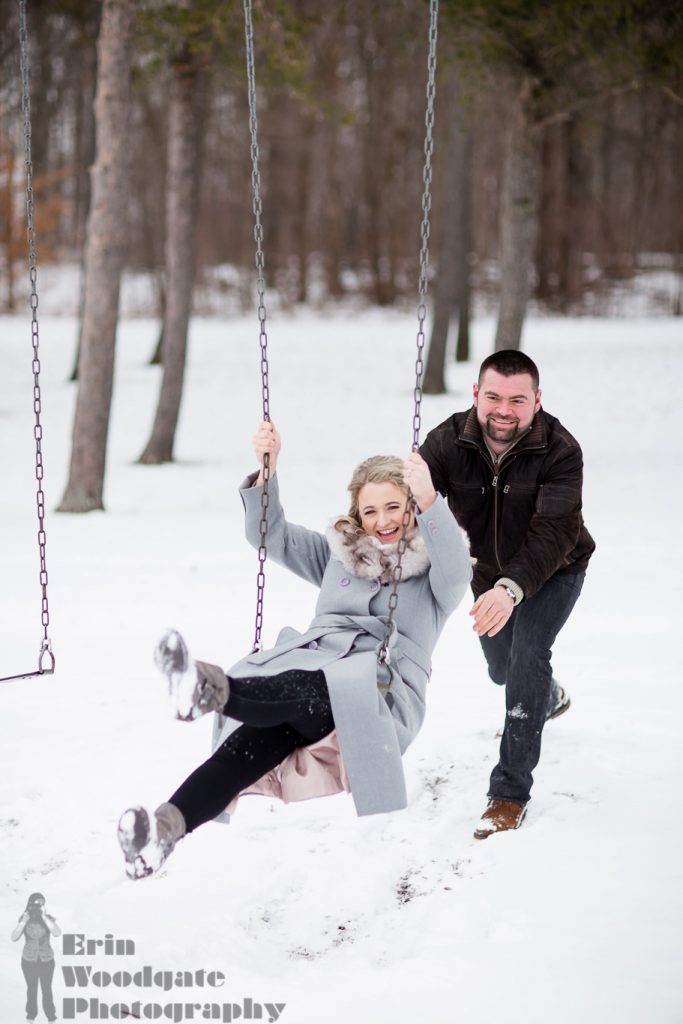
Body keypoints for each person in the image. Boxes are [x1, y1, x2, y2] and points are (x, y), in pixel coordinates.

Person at [118, 421, 472, 879]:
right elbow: (273, 536)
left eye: (393, 507)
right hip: (301, 688)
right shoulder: (339, 556)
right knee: (241, 753)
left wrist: (430, 500)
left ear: (411, 506)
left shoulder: (435, 575)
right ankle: (162, 834)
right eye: (370, 512)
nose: (382, 521)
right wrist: (268, 472)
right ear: (357, 516)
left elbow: (459, 571)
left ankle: (211, 690)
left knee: (310, 686)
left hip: (377, 696)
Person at [420, 349, 595, 839]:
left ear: (537, 400)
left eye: (517, 400)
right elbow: (409, 501)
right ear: (476, 395)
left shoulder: (561, 450)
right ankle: (548, 696)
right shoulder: (447, 440)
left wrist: (510, 588)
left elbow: (554, 532)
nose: (504, 410)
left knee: (525, 658)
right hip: (484, 575)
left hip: (554, 569)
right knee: (502, 669)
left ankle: (509, 793)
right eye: (493, 396)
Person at [11, 892, 61, 1023]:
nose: (38, 907)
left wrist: (44, 917)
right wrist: (24, 921)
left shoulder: (48, 919)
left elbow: (57, 932)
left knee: (47, 990)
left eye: (42, 904)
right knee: (31, 990)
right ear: (29, 904)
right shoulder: (24, 918)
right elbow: (14, 937)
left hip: (47, 961)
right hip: (28, 961)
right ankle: (30, 1017)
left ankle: (51, 1018)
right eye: (36, 904)